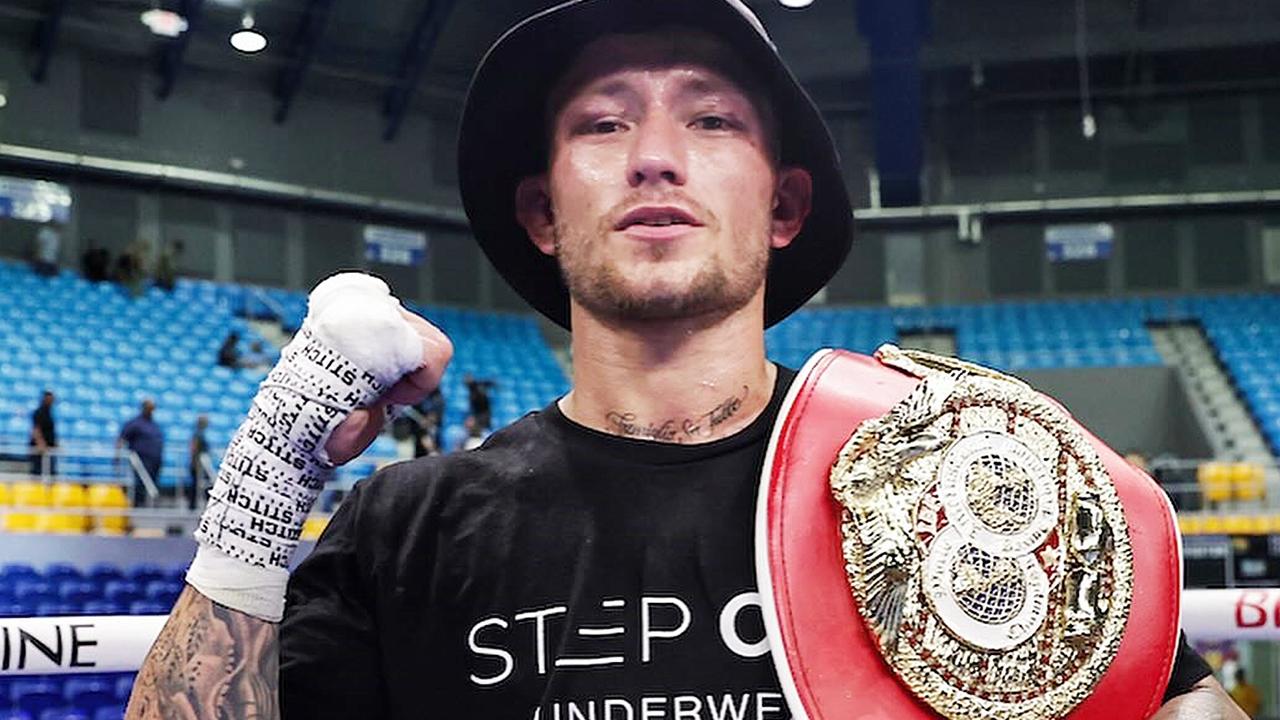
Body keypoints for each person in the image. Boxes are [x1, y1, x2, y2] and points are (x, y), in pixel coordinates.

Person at [127, 2, 1240, 719]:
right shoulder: (405, 528)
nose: (655, 157)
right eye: (602, 126)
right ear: (542, 214)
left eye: (709, 121)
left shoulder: (956, 477)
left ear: (785, 205)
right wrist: (269, 478)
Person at [118, 399, 163, 507]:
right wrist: (117, 457)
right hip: (141, 460)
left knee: (152, 482)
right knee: (140, 483)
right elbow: (122, 439)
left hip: (155, 460)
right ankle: (138, 504)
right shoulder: (135, 424)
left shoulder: (154, 425)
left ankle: (150, 505)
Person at [29, 390, 57, 478]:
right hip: (41, 451)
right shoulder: (39, 412)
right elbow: (36, 429)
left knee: (50, 473)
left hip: (49, 450)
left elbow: (49, 431)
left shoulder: (49, 413)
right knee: (38, 473)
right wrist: (41, 444)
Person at [188, 415, 210, 511]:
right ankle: (192, 506)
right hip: (197, 464)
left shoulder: (199, 434)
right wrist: (195, 462)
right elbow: (194, 448)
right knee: (195, 485)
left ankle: (194, 505)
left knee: (198, 484)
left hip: (199, 464)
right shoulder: (197, 435)